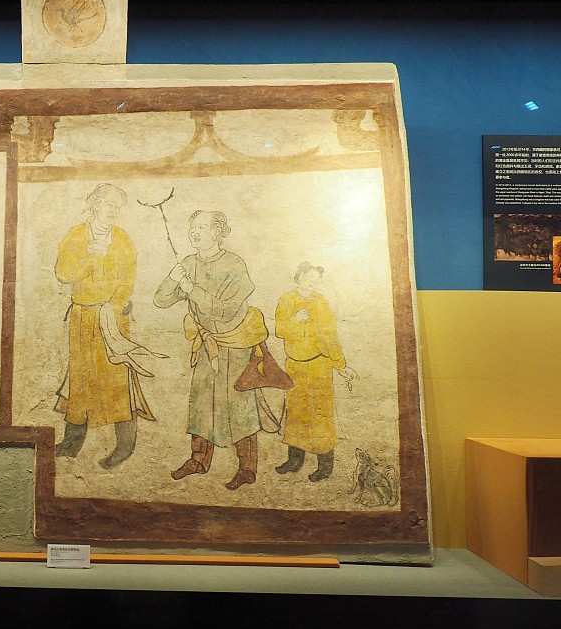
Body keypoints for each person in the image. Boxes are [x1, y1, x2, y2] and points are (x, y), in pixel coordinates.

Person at [153, 210, 265, 490]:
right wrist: (171, 278)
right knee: (201, 404)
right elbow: (161, 300)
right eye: (192, 227)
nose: (194, 232)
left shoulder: (234, 264)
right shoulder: (188, 264)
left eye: (201, 227)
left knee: (239, 406)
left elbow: (225, 311)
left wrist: (192, 289)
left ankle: (247, 468)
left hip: (235, 344)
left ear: (217, 232)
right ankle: (199, 460)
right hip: (207, 345)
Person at [54, 182, 156, 469]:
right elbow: (63, 273)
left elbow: (128, 278)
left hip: (111, 317)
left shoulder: (122, 239)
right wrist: (90, 258)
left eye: (117, 206)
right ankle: (72, 444)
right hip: (82, 317)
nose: (113, 210)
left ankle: (125, 445)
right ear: (95, 203)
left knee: (116, 379)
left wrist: (116, 305)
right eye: (109, 204)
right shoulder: (77, 235)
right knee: (80, 377)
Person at [273, 262, 358, 481]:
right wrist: (294, 320)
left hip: (319, 366)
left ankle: (325, 465)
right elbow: (279, 330)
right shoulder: (287, 300)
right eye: (309, 276)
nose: (313, 281)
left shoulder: (320, 302)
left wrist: (340, 365)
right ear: (298, 276)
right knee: (296, 412)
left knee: (320, 414)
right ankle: (295, 460)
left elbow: (330, 336)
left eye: (316, 278)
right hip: (295, 365)